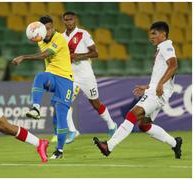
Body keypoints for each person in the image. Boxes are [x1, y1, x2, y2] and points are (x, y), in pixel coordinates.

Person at [93, 22, 182, 159]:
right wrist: (149, 86)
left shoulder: (166, 46)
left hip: (158, 93)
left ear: (164, 34)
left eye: (154, 34)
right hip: (156, 90)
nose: (151, 37)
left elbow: (174, 65)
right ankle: (174, 143)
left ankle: (108, 146)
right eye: (150, 34)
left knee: (131, 115)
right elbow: (162, 72)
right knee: (144, 126)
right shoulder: (161, 48)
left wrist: (159, 86)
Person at [12, 16, 73, 159]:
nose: (49, 31)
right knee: (40, 76)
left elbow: (46, 55)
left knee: (60, 116)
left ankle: (59, 150)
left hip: (65, 80)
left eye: (50, 28)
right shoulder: (40, 41)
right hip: (52, 76)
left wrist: (24, 57)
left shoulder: (59, 39)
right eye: (46, 29)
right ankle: (36, 108)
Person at [59, 11, 117, 144]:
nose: (68, 22)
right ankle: (73, 131)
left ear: (76, 20)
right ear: (63, 21)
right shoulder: (61, 37)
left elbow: (95, 53)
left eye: (71, 19)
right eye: (66, 20)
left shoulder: (83, 34)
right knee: (63, 102)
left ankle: (111, 125)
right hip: (69, 75)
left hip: (85, 75)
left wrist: (78, 56)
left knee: (95, 103)